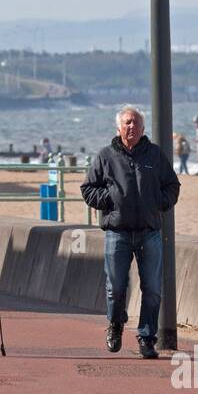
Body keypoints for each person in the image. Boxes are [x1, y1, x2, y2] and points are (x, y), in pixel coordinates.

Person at [80, 105, 181, 359]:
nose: (131, 126)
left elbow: (172, 185)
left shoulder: (155, 155)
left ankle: (147, 337)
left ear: (143, 128)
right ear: (118, 127)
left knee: (152, 288)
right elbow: (88, 189)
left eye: (136, 123)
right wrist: (110, 200)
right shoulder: (105, 156)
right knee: (115, 287)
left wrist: (159, 203)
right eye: (127, 123)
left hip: (149, 231)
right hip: (117, 232)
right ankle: (115, 325)